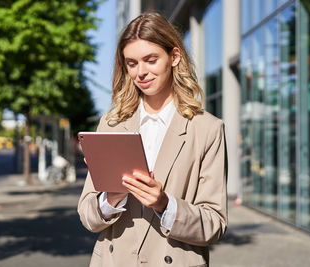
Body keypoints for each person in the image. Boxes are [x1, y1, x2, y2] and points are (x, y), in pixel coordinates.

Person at [78, 12, 227, 267]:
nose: (141, 72)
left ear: (174, 57)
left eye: (150, 60)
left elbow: (214, 224)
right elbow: (88, 216)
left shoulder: (207, 129)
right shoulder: (111, 125)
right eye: (132, 63)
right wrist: (110, 199)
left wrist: (164, 204)